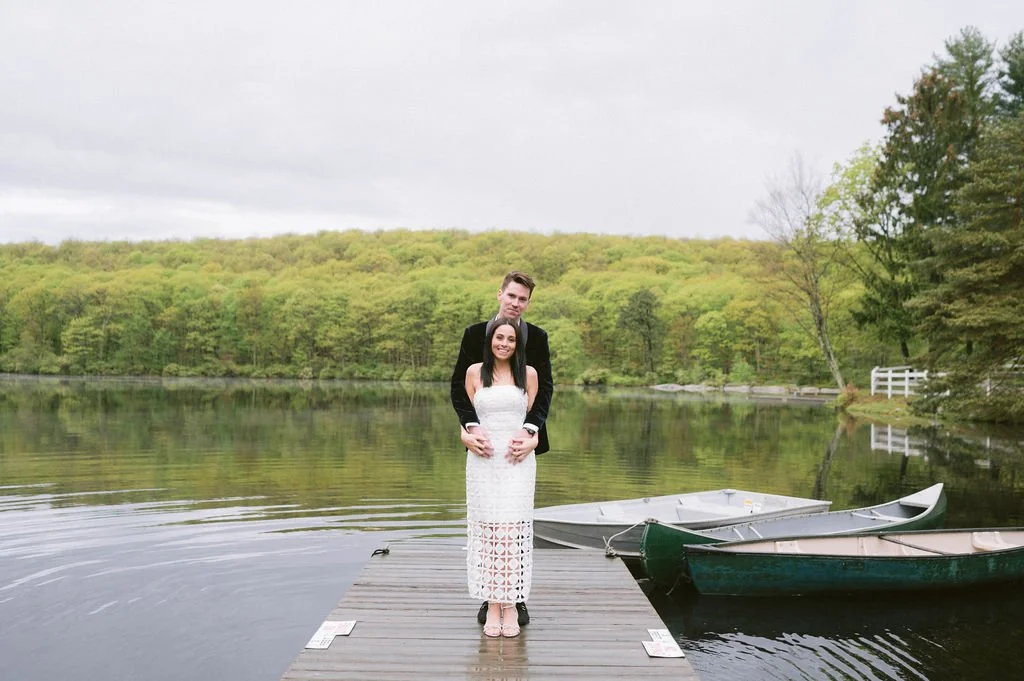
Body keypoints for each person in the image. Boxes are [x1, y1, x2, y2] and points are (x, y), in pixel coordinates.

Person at [451, 271, 554, 628]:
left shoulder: (538, 338)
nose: (515, 303)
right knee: (488, 524)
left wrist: (532, 431)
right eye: (511, 295)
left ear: (527, 303)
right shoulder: (473, 335)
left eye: (522, 299)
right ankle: (491, 600)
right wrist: (466, 428)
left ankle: (515, 601)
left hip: (518, 447)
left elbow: (545, 390)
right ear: (500, 294)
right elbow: (459, 389)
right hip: (484, 448)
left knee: (514, 526)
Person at [462, 317, 539, 637]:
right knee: (488, 534)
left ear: (518, 344)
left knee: (510, 535)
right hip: (483, 464)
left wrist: (532, 440)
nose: (504, 343)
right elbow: (467, 417)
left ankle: (509, 606)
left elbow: (535, 419)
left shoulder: (529, 375)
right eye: (499, 337)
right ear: (490, 340)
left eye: (510, 339)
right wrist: (463, 436)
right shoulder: (473, 373)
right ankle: (492, 604)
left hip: (517, 463)